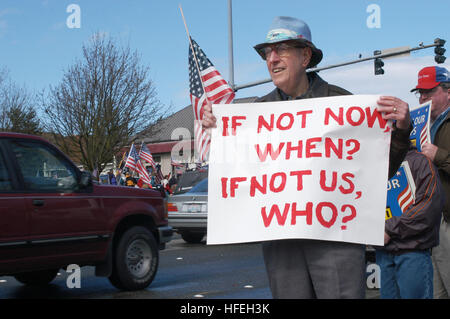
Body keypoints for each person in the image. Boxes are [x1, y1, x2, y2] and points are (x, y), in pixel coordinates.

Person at [202, 16, 412, 298]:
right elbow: (237, 176)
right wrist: (219, 133)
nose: (272, 59)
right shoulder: (254, 114)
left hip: (336, 242)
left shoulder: (344, 105)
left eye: (282, 50)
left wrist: (400, 132)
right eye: (267, 53)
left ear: (305, 56)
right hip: (282, 246)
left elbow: (377, 173)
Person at [376, 147, 444, 298]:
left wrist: (388, 229)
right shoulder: (373, 165)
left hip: (412, 251)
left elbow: (428, 207)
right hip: (383, 253)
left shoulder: (420, 161)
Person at [411, 66, 450, 298]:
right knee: (435, 291)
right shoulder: (421, 125)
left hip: (446, 220)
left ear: (448, 92)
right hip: (429, 221)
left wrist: (439, 156)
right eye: (420, 92)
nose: (423, 97)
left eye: (429, 91)